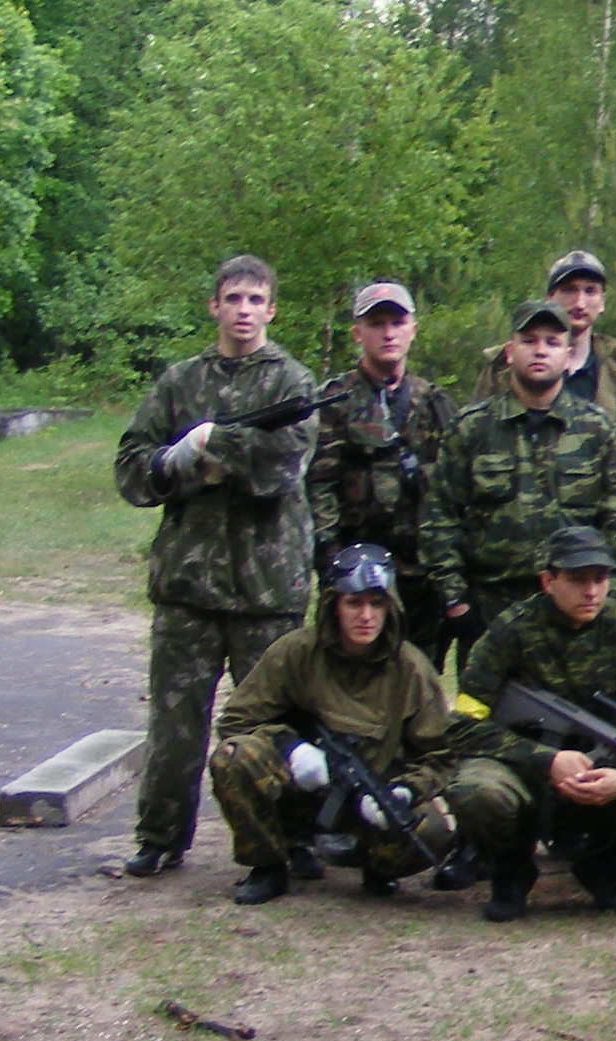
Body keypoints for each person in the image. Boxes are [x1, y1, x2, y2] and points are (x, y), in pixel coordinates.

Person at [113, 255, 321, 878]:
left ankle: (290, 839)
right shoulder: (179, 382)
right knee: (175, 724)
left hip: (267, 588)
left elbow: (284, 467)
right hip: (188, 585)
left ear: (272, 309)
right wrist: (178, 463)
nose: (243, 311)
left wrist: (212, 445)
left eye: (255, 300)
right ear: (214, 306)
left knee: (276, 726)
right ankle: (160, 837)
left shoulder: (293, 383)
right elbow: (132, 469)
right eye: (233, 298)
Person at [445, 526, 616, 922]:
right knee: (476, 791)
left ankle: (606, 861)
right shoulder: (510, 630)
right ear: (547, 581)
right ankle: (511, 867)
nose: (591, 592)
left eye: (600, 579)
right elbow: (463, 726)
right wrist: (545, 759)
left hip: (605, 764)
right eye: (577, 579)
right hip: (524, 770)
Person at [208, 545, 458, 905]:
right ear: (333, 605)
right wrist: (292, 748)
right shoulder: (296, 652)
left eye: (377, 604)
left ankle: (375, 863)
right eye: (354, 603)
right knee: (234, 757)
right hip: (295, 792)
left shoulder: (412, 669)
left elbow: (441, 756)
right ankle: (269, 864)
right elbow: (236, 721)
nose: (366, 616)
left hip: (370, 800)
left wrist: (404, 791)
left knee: (431, 831)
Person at [420, 298, 616, 654]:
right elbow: (439, 520)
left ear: (568, 355)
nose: (540, 351)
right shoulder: (471, 429)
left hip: (578, 616)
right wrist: (456, 601)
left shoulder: (597, 430)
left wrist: (606, 603)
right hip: (491, 615)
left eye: (552, 342)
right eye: (529, 341)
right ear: (510, 353)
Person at [306, 279, 459, 673]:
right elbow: (320, 482)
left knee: (417, 674)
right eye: (376, 324)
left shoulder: (434, 403)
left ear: (413, 330)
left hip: (421, 570)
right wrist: (330, 558)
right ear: (358, 333)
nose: (388, 333)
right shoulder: (334, 400)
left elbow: (453, 488)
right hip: (356, 567)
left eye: (397, 322)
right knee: (349, 673)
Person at [476, 248, 616, 466]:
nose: (580, 303)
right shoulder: (503, 365)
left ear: (602, 301)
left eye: (590, 291)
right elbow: (476, 440)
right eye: (569, 290)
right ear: (550, 298)